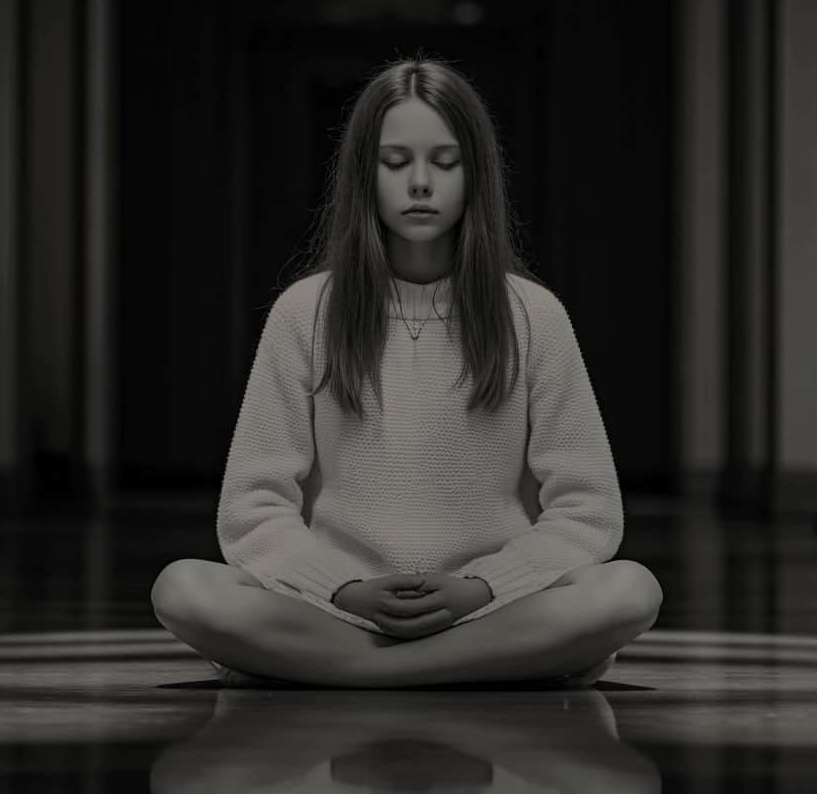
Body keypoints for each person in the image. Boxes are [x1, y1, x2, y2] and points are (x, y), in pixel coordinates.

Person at [150, 54, 663, 689]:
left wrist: (481, 588)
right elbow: (253, 507)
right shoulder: (305, 311)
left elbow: (587, 509)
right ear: (365, 176)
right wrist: (343, 588)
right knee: (184, 587)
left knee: (630, 590)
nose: (420, 183)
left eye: (444, 162)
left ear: (476, 175)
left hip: (490, 610)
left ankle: (359, 675)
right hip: (340, 610)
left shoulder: (533, 315)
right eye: (396, 163)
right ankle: (454, 671)